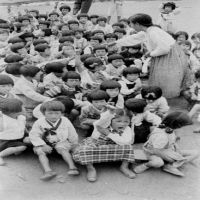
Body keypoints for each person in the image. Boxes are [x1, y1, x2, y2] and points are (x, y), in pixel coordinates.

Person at [111, 14, 192, 98]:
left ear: (137, 24)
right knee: (162, 76)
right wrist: (117, 42)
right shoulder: (149, 31)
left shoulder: (154, 32)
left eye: (131, 24)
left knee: (167, 76)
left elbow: (164, 48)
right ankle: (164, 94)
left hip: (169, 56)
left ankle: (169, 96)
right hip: (164, 54)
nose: (130, 26)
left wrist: (151, 53)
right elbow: (135, 38)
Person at [73, 104, 135, 182]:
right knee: (85, 149)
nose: (122, 124)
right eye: (118, 121)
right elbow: (103, 119)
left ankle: (124, 167)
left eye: (126, 121)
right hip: (96, 145)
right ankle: (91, 169)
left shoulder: (127, 129)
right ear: (111, 120)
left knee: (128, 147)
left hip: (113, 146)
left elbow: (126, 141)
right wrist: (110, 112)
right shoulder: (102, 124)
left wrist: (108, 134)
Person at [133, 114, 198, 177]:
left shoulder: (167, 128)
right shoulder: (161, 136)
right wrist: (170, 160)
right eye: (183, 126)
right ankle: (146, 165)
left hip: (168, 150)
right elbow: (157, 151)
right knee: (158, 163)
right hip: (153, 152)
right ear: (178, 125)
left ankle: (170, 166)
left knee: (195, 153)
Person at [29, 101, 79, 181]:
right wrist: (43, 144)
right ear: (44, 113)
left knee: (62, 149)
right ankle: (48, 171)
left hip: (60, 141)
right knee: (40, 152)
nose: (53, 116)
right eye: (50, 113)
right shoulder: (39, 122)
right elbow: (34, 134)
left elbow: (72, 133)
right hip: (44, 143)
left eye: (57, 113)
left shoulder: (65, 120)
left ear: (62, 113)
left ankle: (72, 167)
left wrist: (74, 144)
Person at [0, 99, 27, 165]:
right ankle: (1, 155)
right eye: (23, 107)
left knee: (23, 146)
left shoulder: (21, 117)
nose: (25, 108)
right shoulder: (3, 120)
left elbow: (24, 126)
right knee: (23, 147)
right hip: (4, 141)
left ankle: (12, 150)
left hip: (17, 138)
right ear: (15, 112)